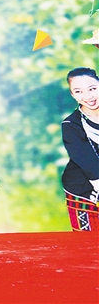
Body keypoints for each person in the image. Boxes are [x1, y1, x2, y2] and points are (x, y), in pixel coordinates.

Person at [61, 67, 99, 231]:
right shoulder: (71, 125)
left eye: (92, 89)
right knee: (89, 242)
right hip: (83, 189)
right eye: (78, 91)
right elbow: (87, 162)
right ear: (72, 95)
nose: (88, 96)